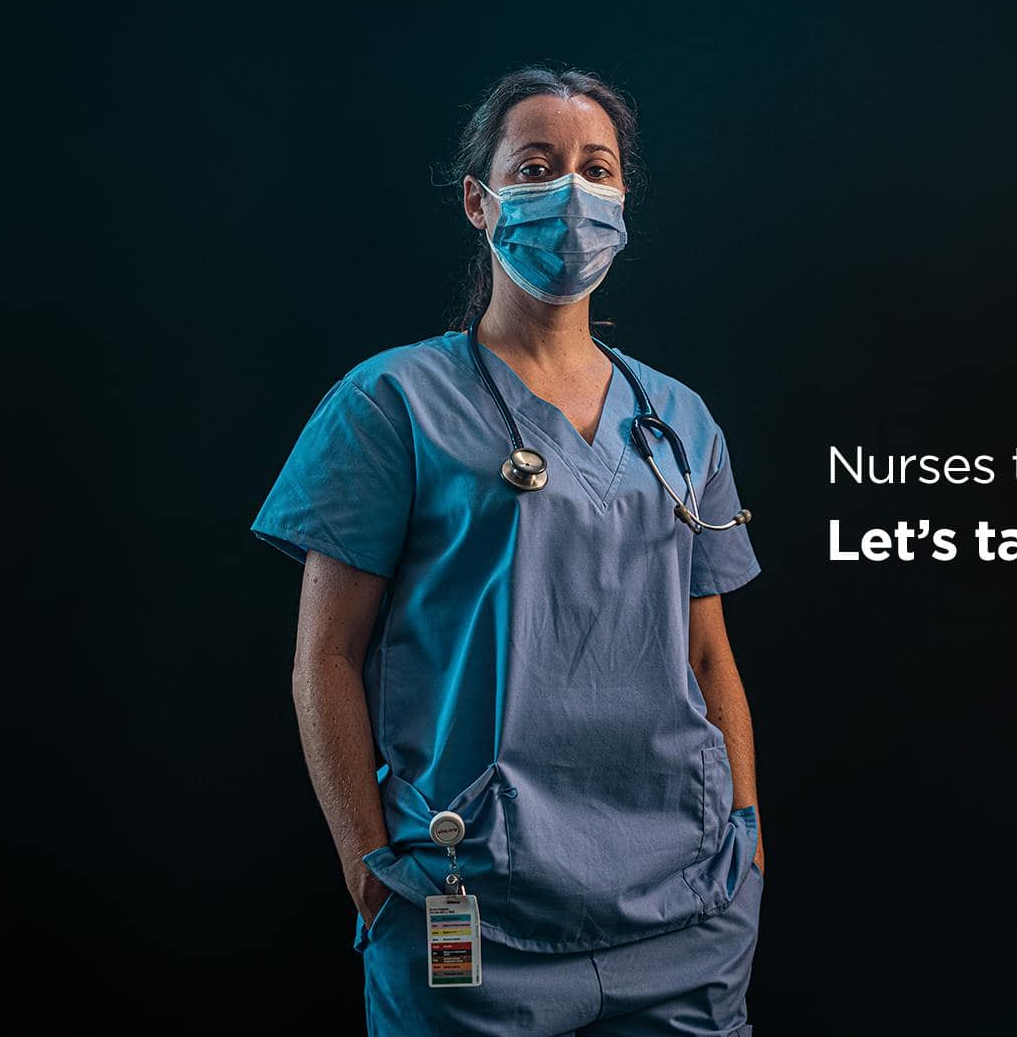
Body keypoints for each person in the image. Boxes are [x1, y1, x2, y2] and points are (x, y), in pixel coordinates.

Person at [250, 65, 766, 1036]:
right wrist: (368, 869)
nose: (571, 192)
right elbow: (326, 657)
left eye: (595, 169)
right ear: (478, 201)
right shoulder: (390, 403)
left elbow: (709, 656)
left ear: (623, 200)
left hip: (688, 903)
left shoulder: (679, 420)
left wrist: (748, 842)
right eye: (536, 166)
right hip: (469, 902)